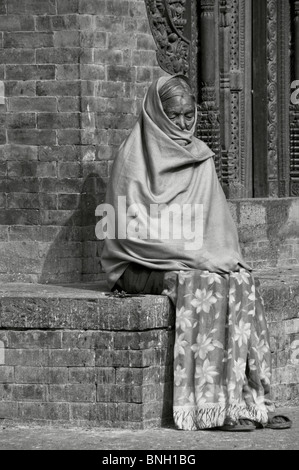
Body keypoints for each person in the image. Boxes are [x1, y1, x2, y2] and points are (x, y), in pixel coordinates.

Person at [101, 75, 292, 432]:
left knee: (241, 282)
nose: (184, 123)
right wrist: (195, 258)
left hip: (188, 258)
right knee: (206, 288)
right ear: (157, 113)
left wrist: (218, 256)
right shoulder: (132, 159)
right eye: (175, 115)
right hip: (138, 266)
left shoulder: (199, 156)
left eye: (190, 115)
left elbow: (214, 225)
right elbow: (126, 233)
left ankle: (251, 399)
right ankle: (212, 409)